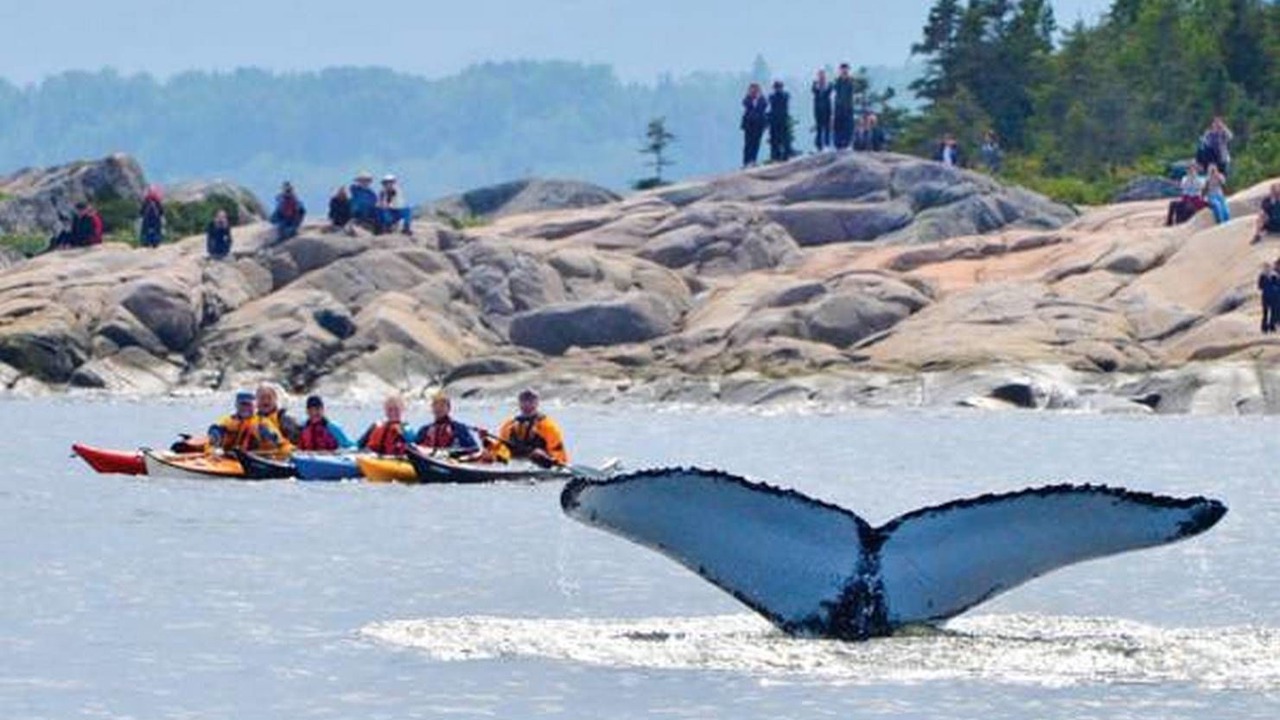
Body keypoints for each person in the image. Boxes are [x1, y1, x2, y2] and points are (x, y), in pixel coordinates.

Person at [491, 388, 567, 467]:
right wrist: (486, 441)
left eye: (531, 401)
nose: (527, 404)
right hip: (514, 461)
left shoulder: (548, 425)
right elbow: (500, 447)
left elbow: (559, 452)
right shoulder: (509, 425)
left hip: (541, 463)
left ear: (537, 403)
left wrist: (552, 459)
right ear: (519, 403)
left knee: (536, 454)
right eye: (523, 401)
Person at [414, 393, 479, 453]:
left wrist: (456, 453)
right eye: (436, 405)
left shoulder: (458, 428)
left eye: (442, 405)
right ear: (432, 408)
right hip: (429, 459)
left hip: (451, 461)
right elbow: (414, 448)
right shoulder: (424, 430)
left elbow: (474, 449)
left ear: (449, 408)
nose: (438, 408)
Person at [248, 383, 300, 453]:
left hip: (281, 458)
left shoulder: (285, 420)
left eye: (269, 398)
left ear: (275, 399)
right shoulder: (251, 421)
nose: (265, 401)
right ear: (256, 401)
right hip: (258, 457)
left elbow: (295, 443)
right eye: (262, 398)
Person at [740, 83, 768, 168]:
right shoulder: (747, 99)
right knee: (748, 143)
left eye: (756, 89)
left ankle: (753, 160)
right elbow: (745, 103)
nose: (754, 91)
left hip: (759, 124)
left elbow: (764, 106)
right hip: (749, 125)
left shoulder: (762, 99)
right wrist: (751, 98)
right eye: (752, 89)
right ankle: (746, 161)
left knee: (756, 143)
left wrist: (758, 98)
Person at [832, 64, 856, 150]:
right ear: (840, 71)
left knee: (848, 127)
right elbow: (835, 94)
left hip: (848, 108)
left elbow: (851, 96)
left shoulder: (850, 82)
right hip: (838, 108)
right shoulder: (837, 82)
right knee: (838, 127)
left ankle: (847, 144)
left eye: (846, 70)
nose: (844, 72)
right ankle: (838, 145)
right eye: (843, 70)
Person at [767, 80, 792, 163]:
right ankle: (776, 156)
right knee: (775, 139)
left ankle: (784, 155)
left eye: (779, 87)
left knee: (784, 139)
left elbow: (785, 99)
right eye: (777, 87)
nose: (778, 89)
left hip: (781, 120)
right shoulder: (773, 96)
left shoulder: (784, 95)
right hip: (775, 120)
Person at [811, 70, 833, 152]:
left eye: (823, 75)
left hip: (827, 109)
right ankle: (818, 146)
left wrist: (825, 85)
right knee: (819, 128)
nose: (821, 77)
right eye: (820, 75)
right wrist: (817, 84)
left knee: (827, 128)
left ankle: (827, 145)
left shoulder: (829, 84)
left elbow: (830, 91)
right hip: (818, 110)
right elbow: (813, 91)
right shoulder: (815, 84)